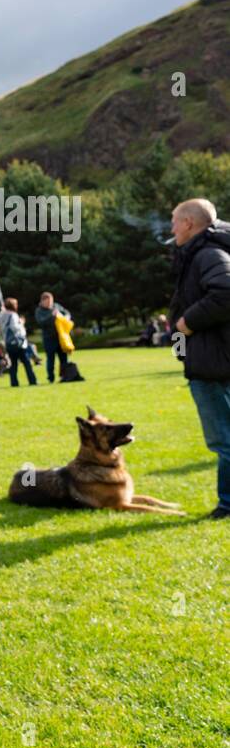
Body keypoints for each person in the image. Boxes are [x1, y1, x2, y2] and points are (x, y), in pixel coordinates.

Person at [169, 198, 230, 519]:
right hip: (214, 360)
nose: (171, 228)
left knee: (224, 440)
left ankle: (228, 505)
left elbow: (224, 293)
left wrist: (185, 323)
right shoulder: (203, 253)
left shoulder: (207, 254)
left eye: (174, 221)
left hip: (213, 365)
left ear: (190, 223)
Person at [0, 298, 37, 387]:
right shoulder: (13, 315)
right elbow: (15, 327)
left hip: (8, 342)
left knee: (13, 364)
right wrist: (21, 323)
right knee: (26, 362)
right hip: (18, 343)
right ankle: (32, 380)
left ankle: (14, 382)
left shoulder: (1, 315)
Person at [35, 291, 72, 382]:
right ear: (42, 301)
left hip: (60, 337)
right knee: (50, 359)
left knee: (64, 358)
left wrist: (65, 317)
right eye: (47, 302)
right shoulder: (39, 311)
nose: (49, 304)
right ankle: (51, 377)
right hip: (49, 339)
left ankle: (65, 376)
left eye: (50, 302)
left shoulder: (56, 306)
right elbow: (41, 322)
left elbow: (67, 313)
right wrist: (52, 316)